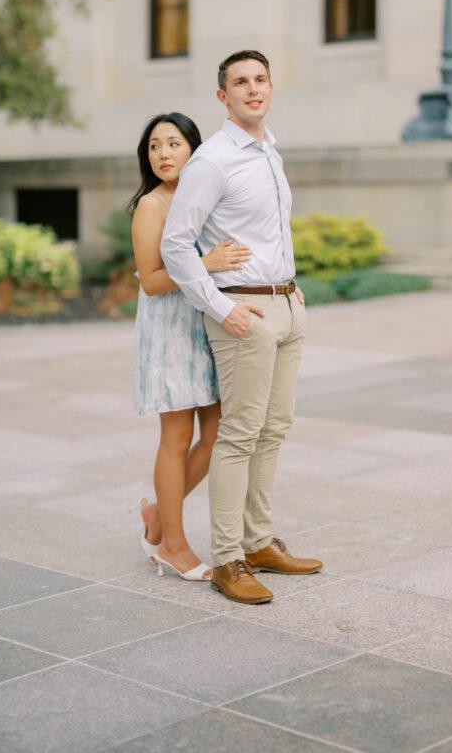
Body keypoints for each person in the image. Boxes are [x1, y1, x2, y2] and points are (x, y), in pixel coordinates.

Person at [161, 50, 322, 604]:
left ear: (271, 87)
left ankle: (258, 544)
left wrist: (290, 284)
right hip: (242, 314)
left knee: (274, 429)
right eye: (239, 83)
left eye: (260, 80)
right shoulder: (213, 160)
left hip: (284, 306)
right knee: (238, 434)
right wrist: (220, 306)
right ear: (222, 96)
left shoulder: (268, 151)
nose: (252, 90)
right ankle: (229, 558)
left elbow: (273, 229)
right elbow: (176, 245)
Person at [130, 112, 251, 582]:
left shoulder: (204, 196)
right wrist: (206, 261)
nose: (163, 154)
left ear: (194, 150)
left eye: (173, 144)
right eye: (155, 146)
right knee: (177, 437)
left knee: (219, 433)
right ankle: (172, 547)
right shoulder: (151, 207)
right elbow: (153, 282)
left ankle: (160, 515)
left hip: (208, 324)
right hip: (170, 331)